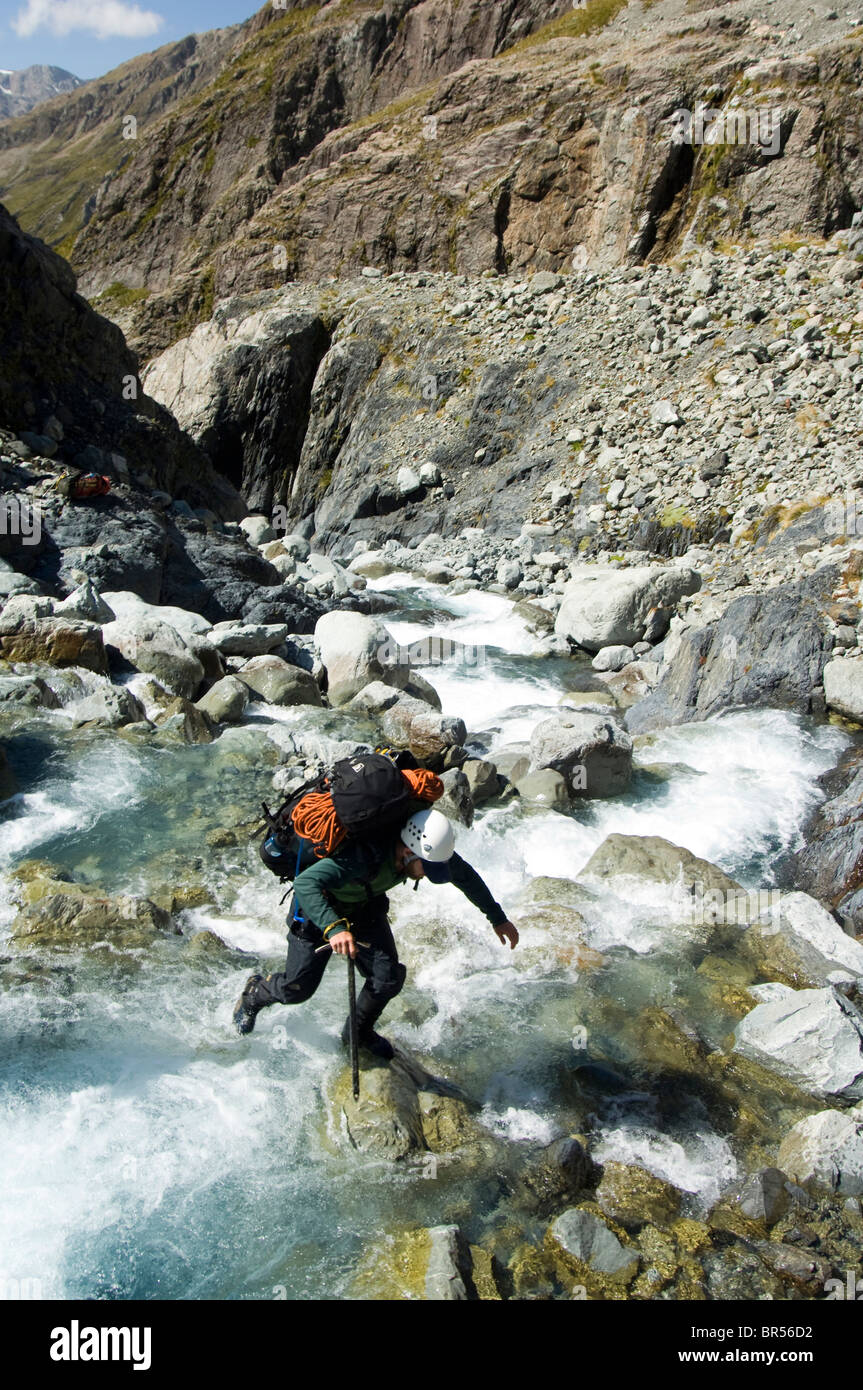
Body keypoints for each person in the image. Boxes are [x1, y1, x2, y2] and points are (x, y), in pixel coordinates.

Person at [232, 807, 519, 1058]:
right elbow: (307, 884)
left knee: (388, 977)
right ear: (408, 852)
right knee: (297, 990)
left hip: (364, 908)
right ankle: (255, 992)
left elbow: (465, 876)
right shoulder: (360, 857)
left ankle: (357, 1034)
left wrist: (497, 918)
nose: (427, 876)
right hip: (316, 913)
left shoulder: (428, 854)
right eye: (425, 870)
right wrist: (334, 928)